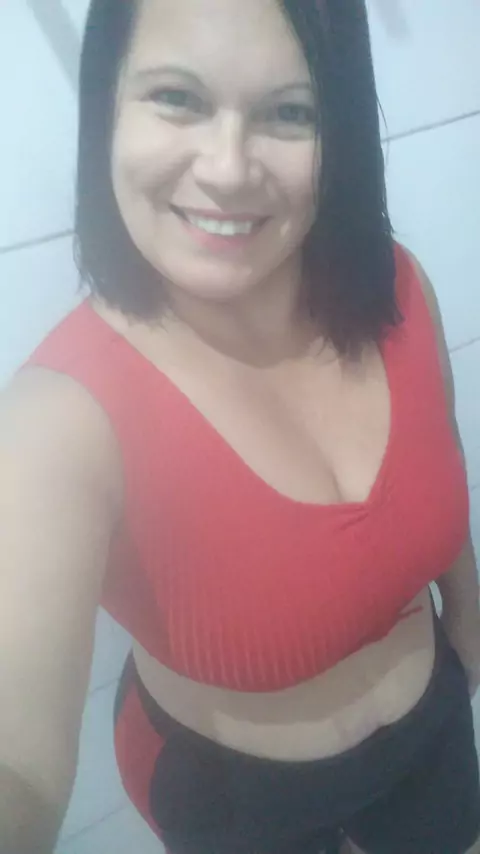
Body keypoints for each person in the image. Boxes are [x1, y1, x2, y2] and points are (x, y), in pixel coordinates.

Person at [1, 1, 479, 852]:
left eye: (289, 112)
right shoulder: (56, 419)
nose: (228, 169)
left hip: (432, 725)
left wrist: (472, 622)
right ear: (108, 104)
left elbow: (442, 485)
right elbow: (20, 768)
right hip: (234, 802)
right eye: (177, 98)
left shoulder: (401, 289)